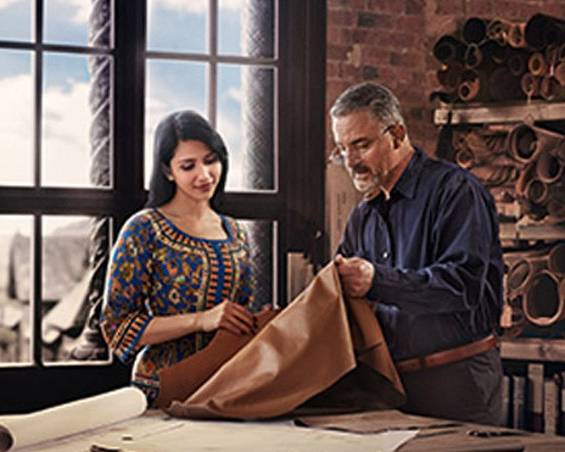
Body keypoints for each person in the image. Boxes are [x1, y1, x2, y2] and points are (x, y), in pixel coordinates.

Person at [330, 82, 504, 425]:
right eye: (341, 149)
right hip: (393, 388)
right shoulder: (363, 215)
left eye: (361, 145)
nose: (350, 161)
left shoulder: (457, 192)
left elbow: (461, 287)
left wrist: (376, 281)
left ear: (396, 134)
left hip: (458, 382)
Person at [100, 110, 259, 405]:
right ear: (167, 171)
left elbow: (239, 317)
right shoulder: (144, 229)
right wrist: (200, 320)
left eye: (211, 160)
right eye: (188, 166)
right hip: (161, 390)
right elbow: (117, 329)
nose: (204, 174)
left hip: (226, 387)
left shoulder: (237, 232)